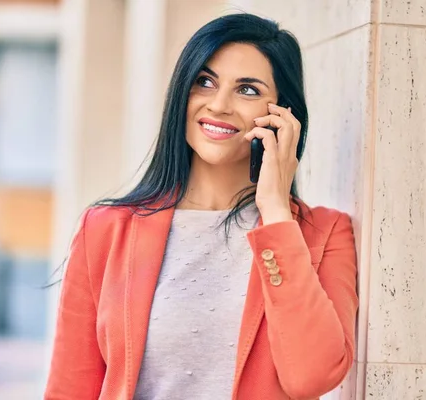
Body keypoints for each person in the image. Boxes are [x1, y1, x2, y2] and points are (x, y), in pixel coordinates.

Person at [45, 13, 358, 400]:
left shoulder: (325, 234)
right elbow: (69, 390)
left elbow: (312, 376)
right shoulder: (105, 230)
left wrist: (276, 213)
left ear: (282, 116)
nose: (220, 104)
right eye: (205, 82)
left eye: (247, 90)